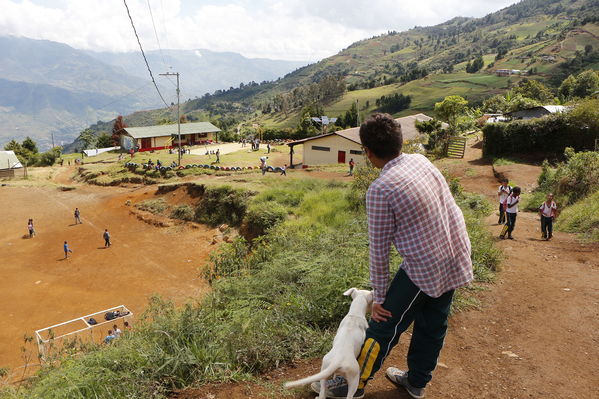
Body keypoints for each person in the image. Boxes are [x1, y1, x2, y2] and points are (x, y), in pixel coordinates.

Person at [314, 114, 472, 399]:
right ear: (400, 142)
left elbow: (379, 250)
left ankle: (354, 385)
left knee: (384, 323)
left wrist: (380, 298)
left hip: (426, 266)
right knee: (433, 323)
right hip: (455, 252)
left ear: (368, 152)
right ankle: (417, 382)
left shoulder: (380, 189)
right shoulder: (421, 161)